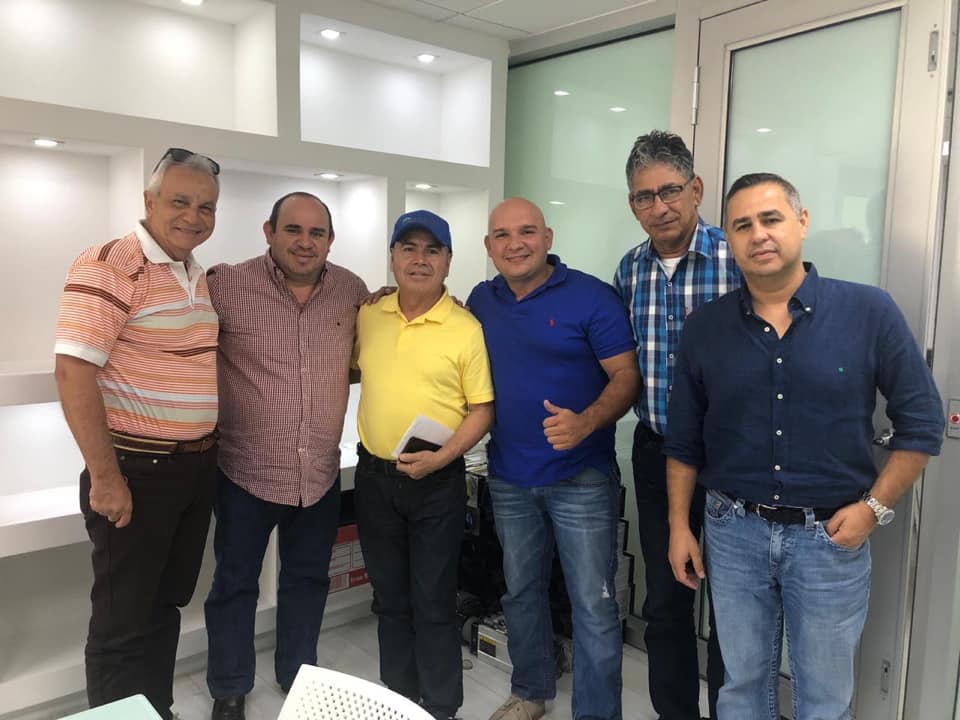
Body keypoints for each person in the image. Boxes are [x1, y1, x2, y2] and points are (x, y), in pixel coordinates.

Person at [665, 173, 944, 720]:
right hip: (733, 531)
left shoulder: (869, 312)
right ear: (729, 239)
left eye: (771, 219)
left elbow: (923, 424)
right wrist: (679, 525)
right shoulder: (706, 328)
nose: (759, 234)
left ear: (802, 221)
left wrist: (873, 509)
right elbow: (683, 439)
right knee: (741, 687)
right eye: (742, 225)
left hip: (830, 539)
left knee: (823, 697)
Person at [54, 148, 221, 720]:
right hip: (135, 471)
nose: (193, 216)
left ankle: (155, 711)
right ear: (149, 201)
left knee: (164, 607)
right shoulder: (111, 263)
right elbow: (73, 371)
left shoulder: (192, 272)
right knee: (122, 622)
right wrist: (105, 479)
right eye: (180, 201)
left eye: (206, 207)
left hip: (192, 470)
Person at [467, 198, 640, 720]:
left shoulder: (592, 296)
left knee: (594, 603)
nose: (515, 244)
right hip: (508, 477)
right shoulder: (481, 300)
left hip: (581, 478)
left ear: (547, 237)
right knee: (520, 593)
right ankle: (530, 692)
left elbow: (626, 377)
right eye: (502, 235)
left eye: (526, 232)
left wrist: (586, 421)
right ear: (488, 247)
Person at [202, 192, 369, 720]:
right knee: (235, 584)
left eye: (317, 232)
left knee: (308, 579)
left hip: (317, 471)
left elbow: (377, 346)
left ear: (330, 240)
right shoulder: (225, 285)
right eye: (293, 229)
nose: (304, 242)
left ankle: (298, 674)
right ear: (269, 230)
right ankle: (230, 687)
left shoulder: (352, 291)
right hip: (244, 472)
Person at [612, 130, 737, 720]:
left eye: (669, 191)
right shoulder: (630, 269)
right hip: (658, 453)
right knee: (666, 598)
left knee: (735, 604)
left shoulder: (736, 257)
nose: (658, 206)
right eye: (644, 196)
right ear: (632, 204)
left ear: (696, 190)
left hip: (732, 458)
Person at [353, 209, 495, 720]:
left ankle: (440, 707)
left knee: (433, 601)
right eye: (408, 248)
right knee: (389, 600)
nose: (419, 259)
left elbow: (482, 408)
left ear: (448, 261)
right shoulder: (368, 315)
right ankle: (397, 700)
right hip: (375, 480)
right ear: (392, 257)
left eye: (432, 250)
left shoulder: (465, 328)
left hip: (438, 483)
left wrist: (443, 457)